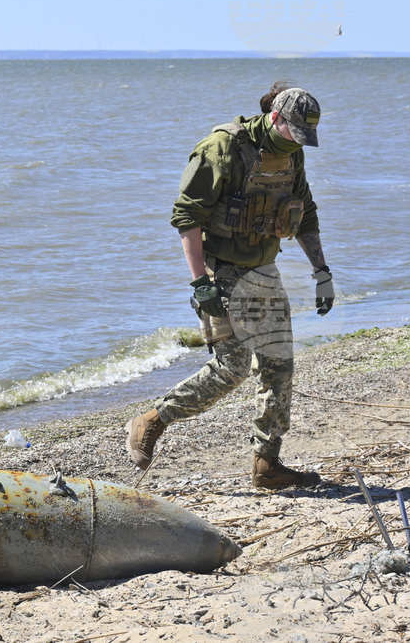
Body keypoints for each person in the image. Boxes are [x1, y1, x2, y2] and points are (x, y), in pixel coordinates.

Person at [126, 83, 334, 489]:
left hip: (263, 270)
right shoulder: (222, 148)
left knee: (279, 366)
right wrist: (200, 281)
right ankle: (152, 420)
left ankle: (266, 464)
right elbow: (187, 217)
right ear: (275, 117)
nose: (298, 142)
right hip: (221, 271)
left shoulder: (294, 156)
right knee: (233, 366)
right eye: (294, 132)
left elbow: (304, 214)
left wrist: (322, 271)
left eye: (305, 137)